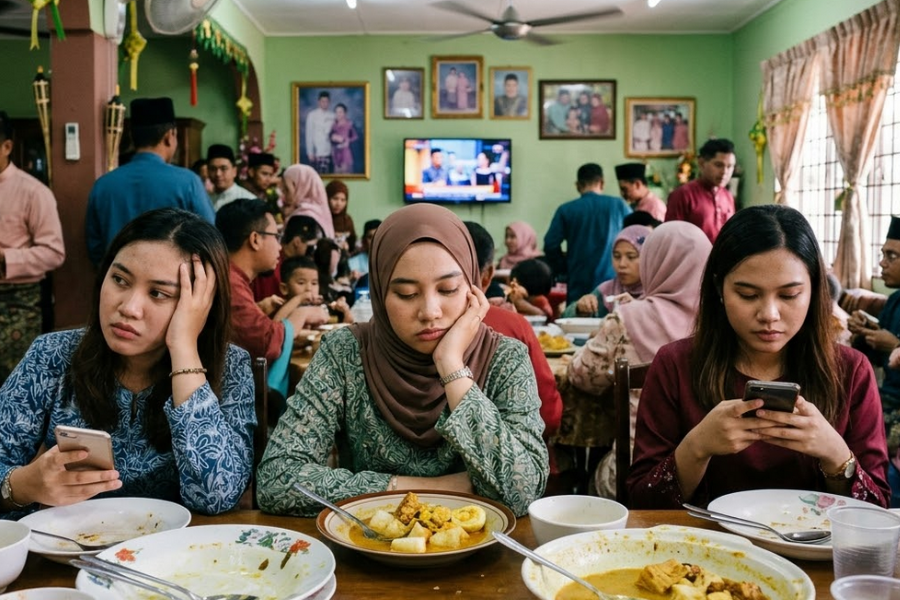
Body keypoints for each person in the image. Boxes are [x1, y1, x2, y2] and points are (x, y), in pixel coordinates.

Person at [256, 203, 549, 517]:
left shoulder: (505, 358)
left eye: (448, 289)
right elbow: (276, 480)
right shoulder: (345, 352)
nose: (430, 312)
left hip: (481, 557)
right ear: (381, 294)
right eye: (407, 294)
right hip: (366, 552)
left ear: (473, 288)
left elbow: (522, 492)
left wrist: (451, 365)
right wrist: (428, 489)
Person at [627, 205, 890, 509]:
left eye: (789, 295)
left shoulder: (850, 370)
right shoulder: (675, 364)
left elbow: (877, 511)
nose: (769, 315)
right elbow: (642, 503)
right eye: (748, 295)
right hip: (701, 549)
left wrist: (836, 455)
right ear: (719, 289)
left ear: (814, 289)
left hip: (811, 553)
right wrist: (697, 447)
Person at [0, 208, 255, 517]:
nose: (129, 307)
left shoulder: (230, 367)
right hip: (67, 554)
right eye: (120, 279)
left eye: (158, 293)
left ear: (200, 306)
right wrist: (24, 485)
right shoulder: (52, 355)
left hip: (176, 557)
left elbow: (218, 497)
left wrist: (184, 348)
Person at [567, 222, 712, 499]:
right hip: (713, 477)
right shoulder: (725, 322)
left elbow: (583, 376)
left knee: (591, 477)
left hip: (637, 471)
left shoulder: (628, 317)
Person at [216, 199, 329, 398]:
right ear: (255, 239)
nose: (280, 247)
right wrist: (302, 314)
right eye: (276, 237)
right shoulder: (229, 281)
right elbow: (266, 342)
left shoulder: (230, 276)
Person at [85, 97, 213, 266]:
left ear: (132, 136)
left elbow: (95, 248)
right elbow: (210, 240)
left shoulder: (103, 185)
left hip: (117, 282)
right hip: (171, 285)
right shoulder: (188, 182)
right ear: (170, 136)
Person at [464, 221, 562, 438]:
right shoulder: (512, 325)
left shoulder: (391, 326)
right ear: (489, 274)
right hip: (511, 460)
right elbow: (548, 413)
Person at [0, 111, 65, 384]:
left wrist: (5, 258)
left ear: (6, 147)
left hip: (18, 303)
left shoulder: (33, 191)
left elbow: (54, 252)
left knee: (15, 384)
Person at [848, 215, 900, 505]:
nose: (882, 263)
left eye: (891, 256)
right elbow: (875, 358)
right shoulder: (894, 300)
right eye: (883, 254)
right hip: (884, 399)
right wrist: (865, 334)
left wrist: (896, 345)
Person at [544, 163, 632, 304]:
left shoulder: (566, 210)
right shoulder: (619, 206)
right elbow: (636, 235)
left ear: (578, 185)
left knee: (577, 319)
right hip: (612, 282)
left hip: (579, 282)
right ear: (601, 183)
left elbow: (550, 244)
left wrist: (564, 269)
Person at [564, 224, 651, 319]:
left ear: (648, 258)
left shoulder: (658, 294)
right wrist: (580, 309)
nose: (622, 264)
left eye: (631, 257)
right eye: (617, 256)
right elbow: (565, 318)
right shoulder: (606, 291)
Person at [665, 138, 737, 243]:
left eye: (729, 167)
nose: (724, 172)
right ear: (702, 163)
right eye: (718, 165)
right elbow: (670, 238)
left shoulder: (728, 197)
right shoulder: (683, 195)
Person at [280, 255, 353, 324]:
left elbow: (348, 326)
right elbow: (276, 328)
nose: (309, 289)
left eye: (314, 283)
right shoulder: (283, 308)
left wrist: (345, 311)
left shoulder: (323, 307)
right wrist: (299, 299)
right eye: (301, 283)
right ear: (284, 289)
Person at [280, 164, 335, 238]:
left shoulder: (302, 218)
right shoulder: (318, 212)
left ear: (302, 187)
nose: (283, 195)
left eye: (287, 190)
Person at [207, 144, 256, 212]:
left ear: (234, 171)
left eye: (223, 168)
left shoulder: (248, 200)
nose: (218, 174)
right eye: (213, 169)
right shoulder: (205, 199)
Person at [305, 91, 335, 174]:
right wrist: (310, 152)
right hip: (318, 152)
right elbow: (309, 135)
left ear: (329, 102)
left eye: (326, 101)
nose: (324, 104)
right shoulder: (312, 115)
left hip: (331, 151)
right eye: (322, 101)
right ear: (318, 102)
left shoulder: (333, 115)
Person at [326, 180, 356, 253]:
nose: (339, 204)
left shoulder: (347, 220)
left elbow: (352, 244)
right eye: (335, 198)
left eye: (343, 200)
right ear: (327, 198)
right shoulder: (320, 218)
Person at [330, 103, 358, 174]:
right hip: (336, 155)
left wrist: (347, 141)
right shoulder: (333, 125)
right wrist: (333, 138)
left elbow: (355, 137)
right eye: (336, 112)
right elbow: (331, 138)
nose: (338, 114)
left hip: (346, 155)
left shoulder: (350, 124)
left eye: (340, 112)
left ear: (345, 113)